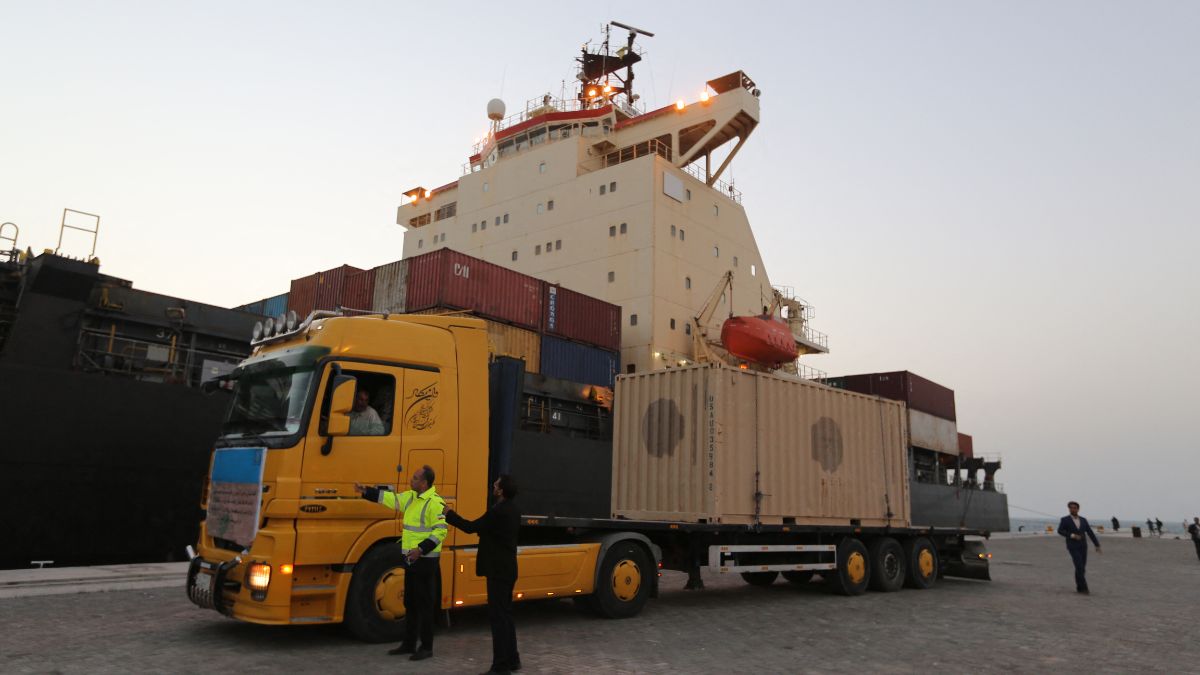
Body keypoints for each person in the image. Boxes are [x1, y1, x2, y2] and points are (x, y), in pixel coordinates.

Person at [354, 466, 447, 661]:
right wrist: (367, 492)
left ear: (424, 483)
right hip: (410, 559)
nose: (411, 480)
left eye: (415, 478)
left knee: (424, 605)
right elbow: (392, 499)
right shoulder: (411, 497)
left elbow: (440, 531)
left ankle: (426, 647)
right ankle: (409, 643)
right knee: (410, 603)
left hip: (425, 560)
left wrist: (421, 549)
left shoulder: (435, 503)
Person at [445, 475, 521, 675]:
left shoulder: (497, 512)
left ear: (501, 491)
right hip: (508, 568)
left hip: (497, 570)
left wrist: (449, 514)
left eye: (496, 485)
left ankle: (500, 666)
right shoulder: (514, 509)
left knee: (498, 618)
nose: (493, 487)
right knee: (506, 615)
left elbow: (470, 528)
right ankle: (513, 659)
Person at [1058, 501, 1101, 594]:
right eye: (1070, 508)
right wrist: (1072, 535)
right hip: (1072, 546)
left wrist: (1096, 544)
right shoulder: (1065, 519)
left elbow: (1090, 532)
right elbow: (1060, 531)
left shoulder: (1083, 520)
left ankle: (1079, 587)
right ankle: (1085, 588)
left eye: (1074, 507)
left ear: (1078, 509)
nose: (1072, 509)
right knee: (1079, 566)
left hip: (1083, 546)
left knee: (1081, 568)